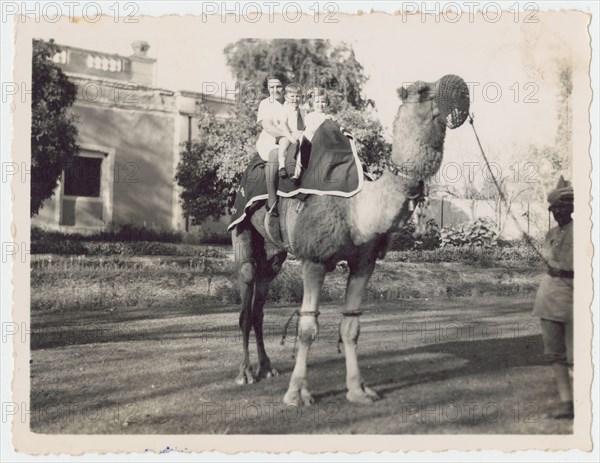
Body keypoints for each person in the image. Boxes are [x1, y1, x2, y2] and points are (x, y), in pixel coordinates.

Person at [532, 175, 574, 419]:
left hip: (575, 296)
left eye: (563, 207)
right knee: (555, 354)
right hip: (548, 298)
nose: (558, 212)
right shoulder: (550, 234)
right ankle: (566, 403)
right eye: (554, 208)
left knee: (578, 354)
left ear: (572, 208)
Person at [290, 87, 333, 181]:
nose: (320, 104)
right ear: (312, 103)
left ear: (327, 103)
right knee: (303, 141)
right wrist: (324, 123)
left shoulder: (328, 116)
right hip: (312, 141)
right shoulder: (310, 116)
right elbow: (311, 129)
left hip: (327, 141)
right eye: (317, 102)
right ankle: (297, 172)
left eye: (323, 102)